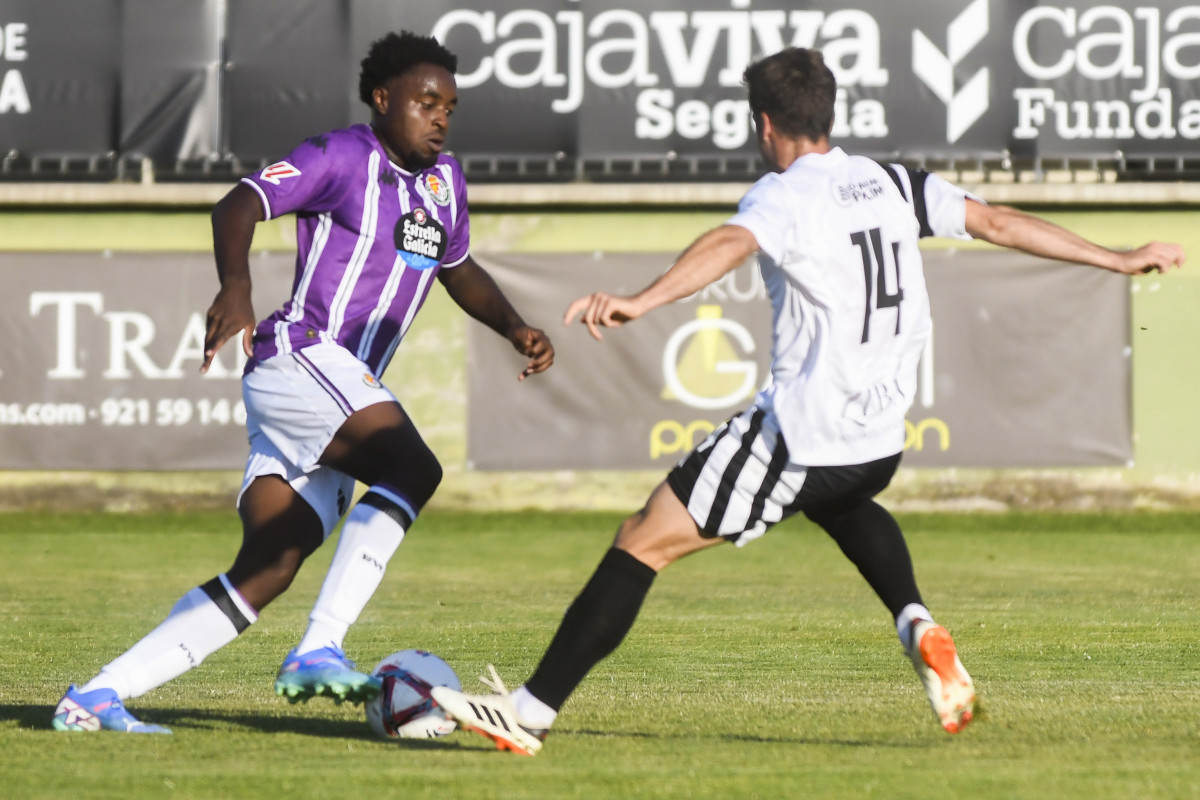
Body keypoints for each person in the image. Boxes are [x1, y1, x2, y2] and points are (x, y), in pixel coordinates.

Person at [431, 47, 1185, 755]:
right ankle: (915, 619)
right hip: (879, 440)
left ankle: (529, 712)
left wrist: (641, 299)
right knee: (843, 502)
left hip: (801, 435)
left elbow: (730, 241)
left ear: (763, 123)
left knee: (642, 539)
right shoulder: (893, 181)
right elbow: (996, 222)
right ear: (829, 114)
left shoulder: (785, 195)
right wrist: (1115, 257)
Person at [51, 31, 554, 734]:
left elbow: (457, 268)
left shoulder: (444, 185)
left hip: (336, 391)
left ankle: (97, 697)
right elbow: (239, 203)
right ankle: (320, 646)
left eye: (451, 106)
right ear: (383, 100)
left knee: (269, 564)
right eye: (426, 101)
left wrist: (514, 326)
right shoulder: (342, 156)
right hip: (301, 357)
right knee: (412, 466)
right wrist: (236, 285)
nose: (441, 117)